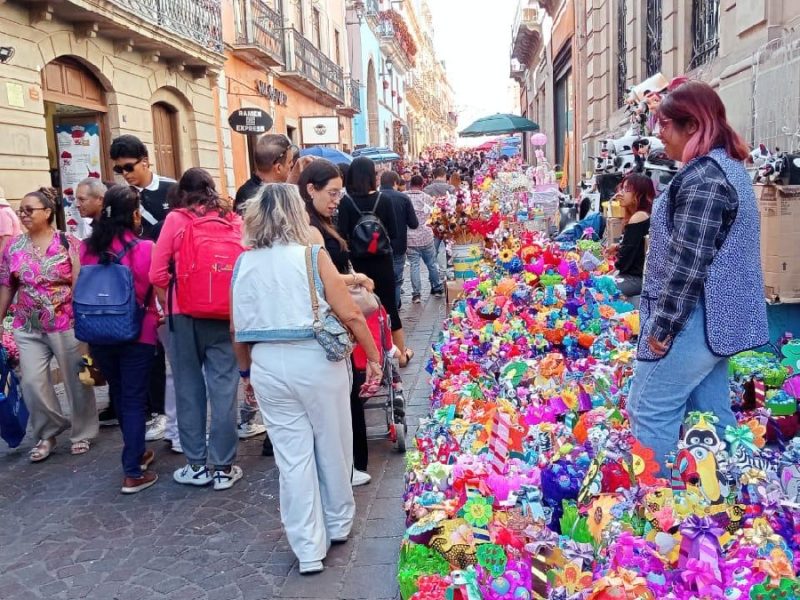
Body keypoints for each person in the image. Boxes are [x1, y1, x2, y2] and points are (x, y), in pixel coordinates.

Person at [231, 183, 382, 575]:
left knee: (292, 458)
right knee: (333, 443)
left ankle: (307, 548)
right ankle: (338, 523)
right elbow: (349, 313)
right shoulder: (311, 256)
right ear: (296, 214)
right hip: (315, 359)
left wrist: (246, 373)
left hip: (266, 363)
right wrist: (376, 356)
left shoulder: (244, 263)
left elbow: (237, 329)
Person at [627, 80, 769, 474]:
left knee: (648, 407)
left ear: (694, 126)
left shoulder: (706, 178)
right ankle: (736, 498)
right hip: (715, 320)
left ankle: (651, 511)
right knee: (710, 416)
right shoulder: (724, 168)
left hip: (696, 319)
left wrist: (663, 327)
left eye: (665, 125)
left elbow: (689, 263)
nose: (658, 135)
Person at [150, 168, 244, 490]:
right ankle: (223, 467)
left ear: (181, 192)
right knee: (224, 390)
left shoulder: (176, 220)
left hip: (184, 317)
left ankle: (196, 466)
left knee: (189, 389)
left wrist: (176, 302)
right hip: (225, 315)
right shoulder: (233, 220)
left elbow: (156, 273)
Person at [0, 187, 97, 461]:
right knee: (31, 383)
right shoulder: (13, 247)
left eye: (29, 210)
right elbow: (7, 284)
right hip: (27, 325)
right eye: (21, 210)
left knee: (77, 382)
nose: (23, 215)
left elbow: (80, 282)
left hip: (67, 322)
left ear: (47, 212)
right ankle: (48, 432)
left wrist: (82, 315)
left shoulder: (69, 243)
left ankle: (82, 432)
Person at [299, 159, 375, 487]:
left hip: (338, 316)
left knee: (348, 392)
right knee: (345, 394)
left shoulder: (322, 221)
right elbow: (323, 277)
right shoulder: (311, 227)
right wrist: (356, 277)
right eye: (331, 193)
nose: (336, 200)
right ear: (310, 190)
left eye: (339, 194)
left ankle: (350, 464)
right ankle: (347, 467)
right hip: (334, 318)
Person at [79, 185, 159, 493]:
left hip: (99, 332)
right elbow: (153, 289)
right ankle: (133, 471)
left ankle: (136, 453)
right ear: (135, 214)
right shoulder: (145, 248)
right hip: (139, 331)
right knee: (135, 399)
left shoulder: (86, 248)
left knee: (121, 393)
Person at [110, 135, 176, 448]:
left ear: (145, 160)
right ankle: (157, 412)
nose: (125, 174)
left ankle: (171, 415)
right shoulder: (120, 196)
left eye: (129, 167)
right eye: (119, 169)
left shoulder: (170, 189)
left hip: (169, 280)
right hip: (136, 284)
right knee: (147, 351)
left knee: (171, 355)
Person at [337, 157, 413, 367]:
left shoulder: (345, 202)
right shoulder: (384, 200)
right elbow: (395, 233)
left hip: (357, 265)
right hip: (382, 261)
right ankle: (402, 354)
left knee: (363, 309)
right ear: (372, 176)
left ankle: (370, 358)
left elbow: (341, 235)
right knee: (389, 307)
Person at [234, 133, 314, 214]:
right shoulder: (256, 198)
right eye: (289, 162)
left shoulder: (244, 192)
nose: (292, 165)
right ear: (278, 168)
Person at [379, 171, 418, 309]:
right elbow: (414, 223)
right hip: (398, 244)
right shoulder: (403, 198)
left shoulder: (374, 198)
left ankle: (384, 308)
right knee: (396, 279)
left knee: (381, 279)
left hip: (376, 245)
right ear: (395, 183)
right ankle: (394, 308)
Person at [611, 174, 653, 298]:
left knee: (597, 289)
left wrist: (614, 268)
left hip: (635, 280)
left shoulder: (638, 216)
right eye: (622, 188)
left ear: (639, 194)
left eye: (627, 189)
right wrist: (619, 247)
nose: (621, 193)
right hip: (636, 277)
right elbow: (636, 248)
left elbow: (624, 261)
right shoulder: (641, 214)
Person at [405, 175, 443, 303]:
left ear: (410, 184)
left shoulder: (404, 197)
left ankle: (416, 294)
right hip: (426, 235)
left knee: (414, 265)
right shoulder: (427, 198)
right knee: (431, 264)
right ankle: (437, 288)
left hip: (410, 237)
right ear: (422, 184)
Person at [0, 186, 22, 254]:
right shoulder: (6, 210)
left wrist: (1, 255)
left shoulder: (2, 212)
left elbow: (6, 236)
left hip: (9, 252)